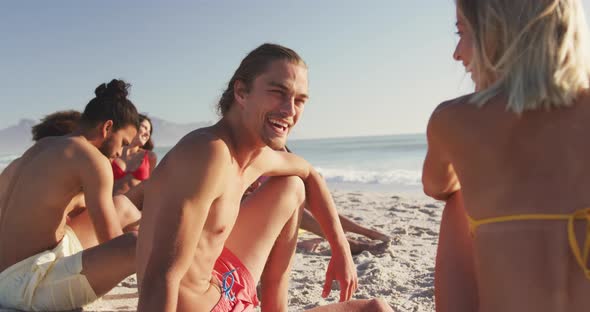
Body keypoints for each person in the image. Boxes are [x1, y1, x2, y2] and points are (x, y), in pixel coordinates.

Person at [136, 43, 393, 312]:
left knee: (292, 186)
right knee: (375, 310)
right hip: (201, 305)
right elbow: (160, 278)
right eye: (277, 93)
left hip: (221, 284)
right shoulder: (207, 153)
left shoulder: (255, 155)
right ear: (241, 92)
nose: (290, 110)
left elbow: (309, 174)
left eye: (300, 100)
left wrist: (340, 248)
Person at [423, 0, 590, 311]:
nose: (457, 53)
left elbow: (436, 186)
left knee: (457, 198)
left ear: (497, 33)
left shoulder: (454, 120)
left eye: (463, 32)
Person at [0, 79, 142, 311]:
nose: (121, 152)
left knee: (121, 204)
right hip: (28, 285)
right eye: (124, 142)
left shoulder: (44, 146)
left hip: (10, 272)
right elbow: (113, 242)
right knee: (134, 245)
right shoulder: (94, 161)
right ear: (107, 127)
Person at [245, 147, 391, 255]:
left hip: (281, 217)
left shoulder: (275, 152)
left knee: (304, 196)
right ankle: (347, 242)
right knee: (287, 201)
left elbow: (306, 173)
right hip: (258, 214)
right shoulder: (244, 153)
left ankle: (362, 232)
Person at [112, 113, 157, 195]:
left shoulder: (150, 157)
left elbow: (151, 187)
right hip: (113, 205)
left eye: (149, 131)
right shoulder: (113, 153)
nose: (147, 134)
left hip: (138, 207)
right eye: (144, 127)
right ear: (133, 125)